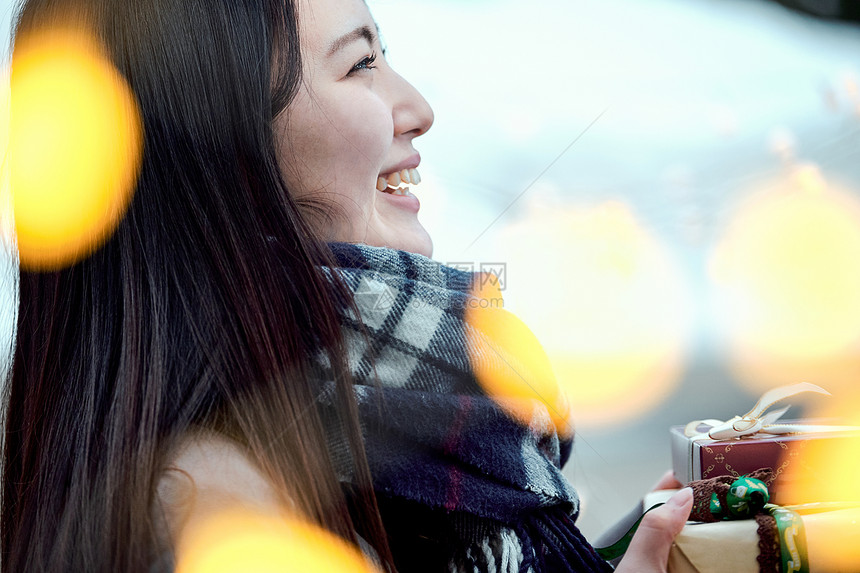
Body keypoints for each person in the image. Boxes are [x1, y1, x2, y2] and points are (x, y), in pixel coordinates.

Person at [1, 0, 693, 571]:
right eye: (361, 63)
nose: (417, 106)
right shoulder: (210, 512)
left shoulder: (351, 464)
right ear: (228, 149)